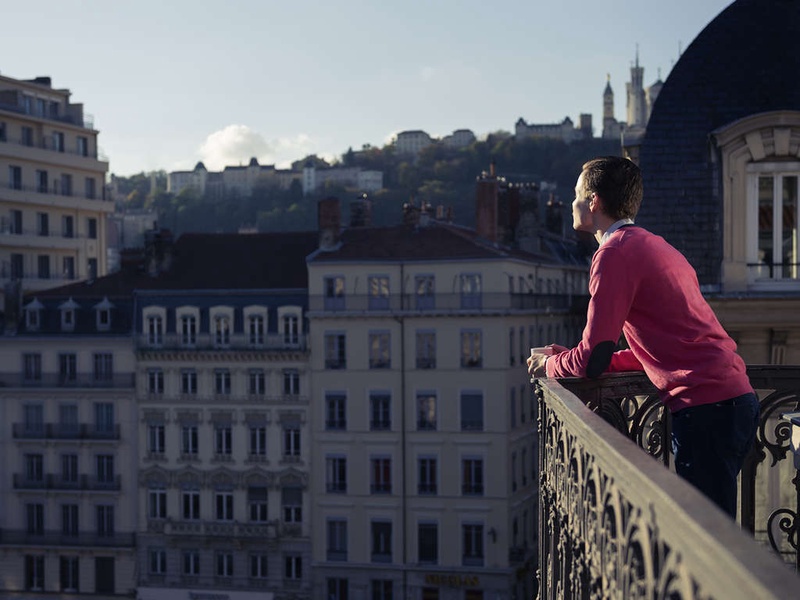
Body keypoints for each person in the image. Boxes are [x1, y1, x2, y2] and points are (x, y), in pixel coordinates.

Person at [527, 156, 759, 519]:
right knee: (712, 527)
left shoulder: (614, 253)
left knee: (706, 543)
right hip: (732, 401)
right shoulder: (655, 245)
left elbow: (593, 361)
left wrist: (549, 363)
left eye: (576, 194)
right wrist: (567, 356)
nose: (571, 202)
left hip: (706, 409)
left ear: (593, 202)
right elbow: (650, 350)